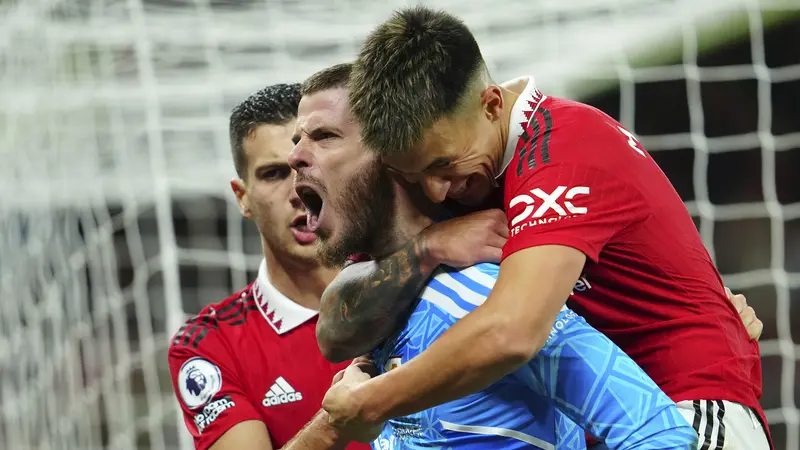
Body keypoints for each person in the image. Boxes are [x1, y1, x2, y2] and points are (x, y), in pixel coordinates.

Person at [305, 7, 770, 449]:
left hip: (688, 409)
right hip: (598, 427)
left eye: (443, 165)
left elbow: (511, 333)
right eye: (414, 175)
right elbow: (335, 328)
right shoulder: (458, 170)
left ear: (491, 105)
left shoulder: (564, 150)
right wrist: (425, 248)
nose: (438, 190)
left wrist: (373, 402)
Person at [167, 84, 375, 450]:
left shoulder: (407, 276)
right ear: (242, 198)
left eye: (307, 165)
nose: (298, 190)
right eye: (274, 174)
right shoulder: (210, 344)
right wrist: (335, 423)